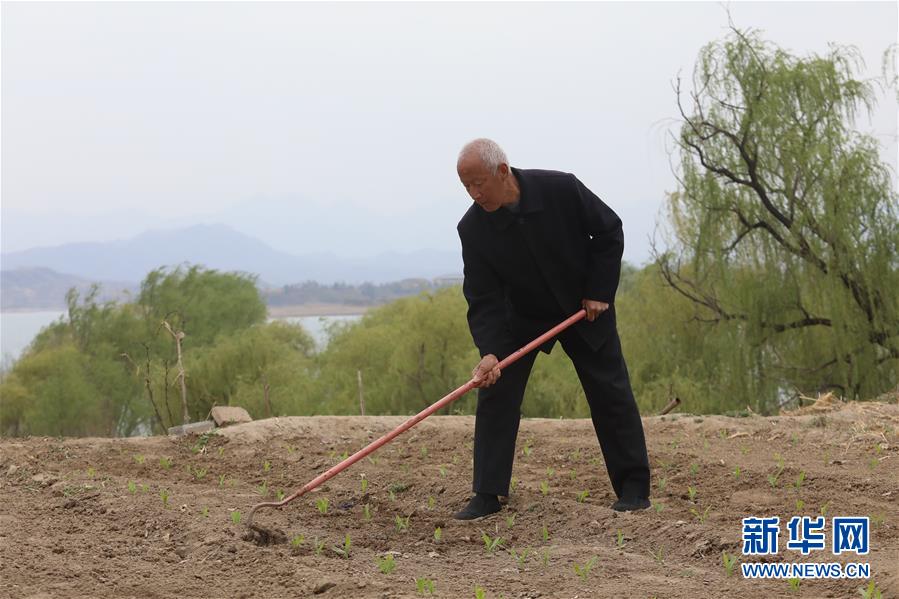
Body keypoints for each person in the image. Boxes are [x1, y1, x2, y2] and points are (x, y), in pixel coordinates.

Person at [453, 138, 651, 520]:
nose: (475, 194)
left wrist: (598, 291)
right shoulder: (473, 228)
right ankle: (487, 493)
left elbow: (609, 231)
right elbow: (482, 295)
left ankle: (634, 487)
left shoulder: (561, 189)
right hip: (522, 318)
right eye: (466, 187)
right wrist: (490, 350)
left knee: (610, 391)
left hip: (584, 307)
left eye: (479, 183)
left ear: (503, 172)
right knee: (496, 388)